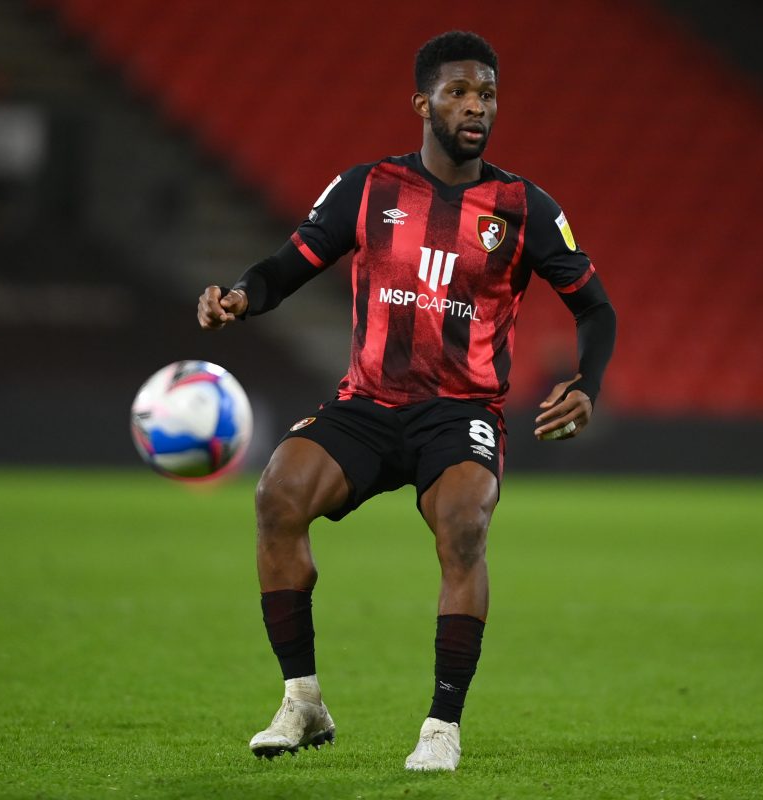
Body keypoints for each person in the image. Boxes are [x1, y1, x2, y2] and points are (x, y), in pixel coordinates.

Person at [197, 30, 616, 772]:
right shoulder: (368, 188)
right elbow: (289, 265)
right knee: (277, 496)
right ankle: (303, 702)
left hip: (462, 411)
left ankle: (441, 727)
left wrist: (587, 382)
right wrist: (240, 296)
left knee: (462, 525)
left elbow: (596, 309)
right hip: (369, 401)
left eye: (486, 94)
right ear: (423, 102)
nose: (475, 107)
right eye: (458, 92)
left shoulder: (524, 207)